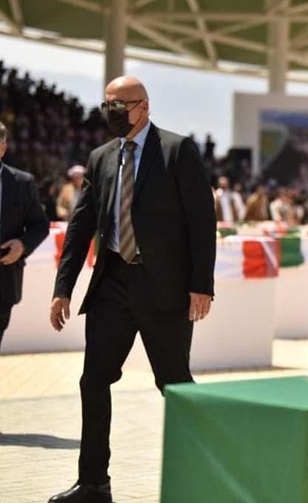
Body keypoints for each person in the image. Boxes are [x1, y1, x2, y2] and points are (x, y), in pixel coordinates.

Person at [48, 76, 216, 503]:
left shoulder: (177, 150)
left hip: (164, 288)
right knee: (93, 381)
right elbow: (81, 226)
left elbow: (202, 221)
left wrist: (201, 285)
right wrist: (63, 287)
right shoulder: (100, 157)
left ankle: (203, 479)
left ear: (144, 106)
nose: (113, 113)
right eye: (107, 105)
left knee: (175, 386)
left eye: (120, 105)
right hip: (112, 285)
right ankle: (93, 484)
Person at [0, 120, 49, 350]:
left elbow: (40, 225)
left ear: (2, 148)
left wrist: (22, 244)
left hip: (4, 281)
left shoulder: (22, 183)